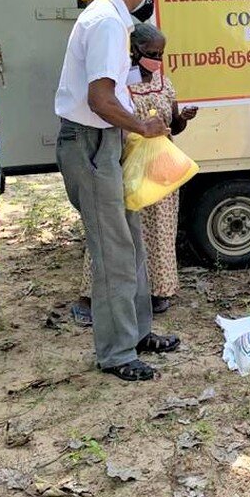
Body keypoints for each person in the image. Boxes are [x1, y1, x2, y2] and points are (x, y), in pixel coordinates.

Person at [55, 0, 181, 382]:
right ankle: (117, 352)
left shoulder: (108, 17)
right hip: (91, 144)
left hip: (104, 142)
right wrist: (142, 126)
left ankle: (138, 332)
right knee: (112, 250)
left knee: (131, 240)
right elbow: (100, 99)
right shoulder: (108, 22)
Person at [74, 23, 198, 323]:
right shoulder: (116, 85)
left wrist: (181, 118)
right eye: (151, 53)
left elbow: (173, 126)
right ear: (133, 50)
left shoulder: (163, 83)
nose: (156, 59)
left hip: (159, 169)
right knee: (115, 231)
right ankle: (93, 296)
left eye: (161, 53)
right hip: (126, 166)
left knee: (160, 232)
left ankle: (157, 292)